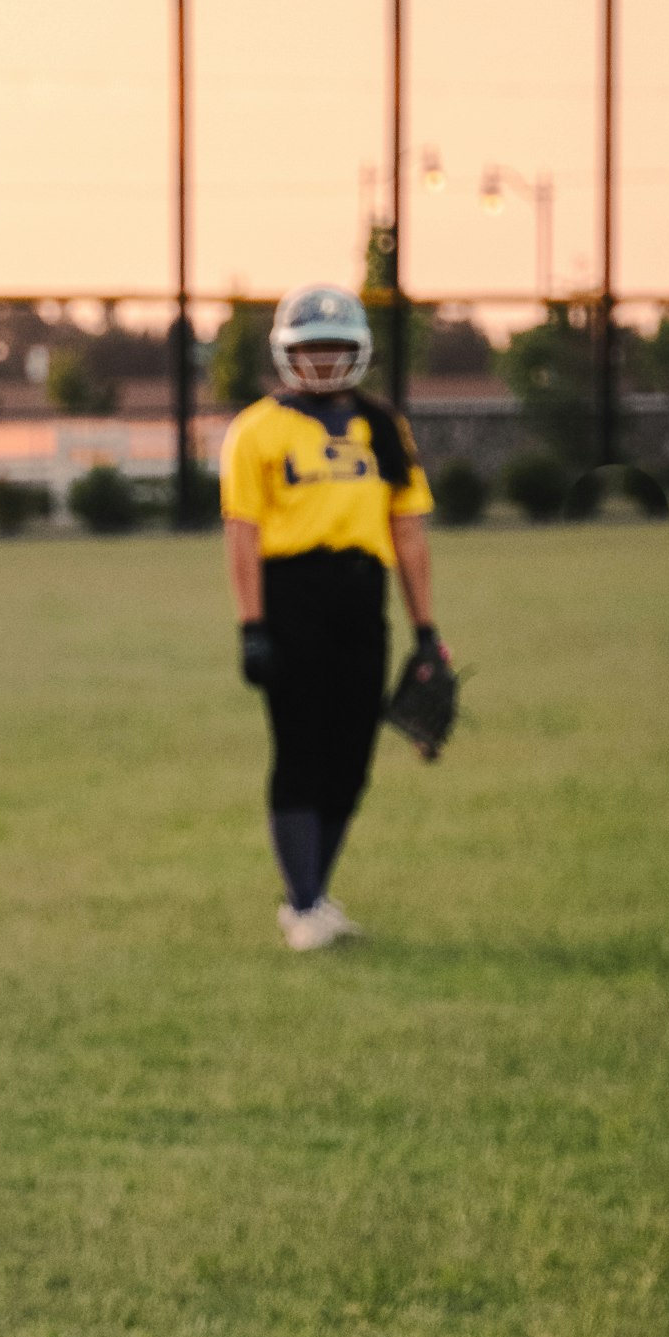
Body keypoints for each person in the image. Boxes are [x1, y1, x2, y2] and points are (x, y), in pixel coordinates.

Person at [220, 284, 449, 951]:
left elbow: (407, 532)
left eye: (335, 348)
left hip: (361, 599)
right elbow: (243, 536)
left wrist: (426, 630)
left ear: (360, 352)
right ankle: (305, 902)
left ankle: (310, 899)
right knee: (301, 750)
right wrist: (252, 626)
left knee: (352, 757)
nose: (322, 362)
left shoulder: (384, 427)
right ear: (286, 353)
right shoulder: (256, 430)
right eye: (309, 349)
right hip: (292, 598)